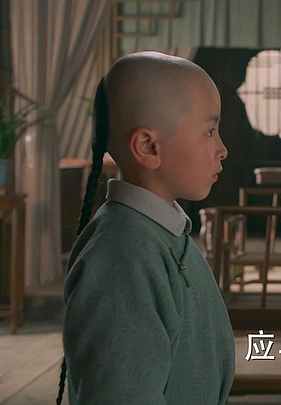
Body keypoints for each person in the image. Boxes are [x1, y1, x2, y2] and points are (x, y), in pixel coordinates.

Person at [56, 51, 234, 404]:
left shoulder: (160, 233)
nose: (222, 149)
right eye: (209, 132)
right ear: (148, 147)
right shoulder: (120, 257)